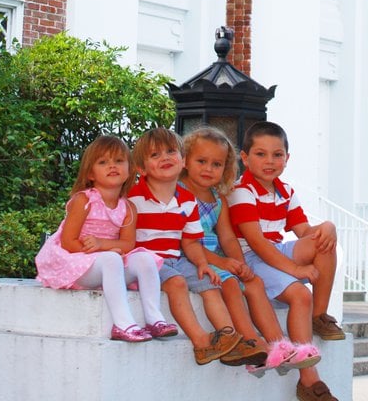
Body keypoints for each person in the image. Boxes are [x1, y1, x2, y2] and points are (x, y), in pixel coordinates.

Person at [178, 125, 321, 375]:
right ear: (185, 161)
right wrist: (224, 264)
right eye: (201, 161)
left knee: (253, 283)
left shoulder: (218, 198)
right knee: (232, 284)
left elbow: (228, 237)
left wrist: (238, 261)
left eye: (216, 164)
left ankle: (279, 346)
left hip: (218, 257)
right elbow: (184, 242)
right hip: (192, 257)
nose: (208, 169)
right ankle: (251, 343)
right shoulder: (179, 195)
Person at [128, 126, 265, 367]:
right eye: (155, 155)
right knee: (179, 282)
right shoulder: (133, 197)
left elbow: (190, 242)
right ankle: (201, 342)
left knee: (210, 283)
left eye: (171, 152)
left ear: (181, 160)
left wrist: (204, 264)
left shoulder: (186, 200)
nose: (165, 158)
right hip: (146, 260)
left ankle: (228, 338)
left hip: (178, 259)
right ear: (141, 168)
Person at [228, 121, 345, 401]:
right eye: (260, 154)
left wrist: (328, 226)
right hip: (251, 257)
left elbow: (304, 232)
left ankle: (320, 315)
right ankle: (308, 380)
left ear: (287, 159)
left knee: (324, 244)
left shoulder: (285, 191)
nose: (270, 161)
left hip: (274, 250)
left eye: (277, 155)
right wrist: (295, 270)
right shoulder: (241, 191)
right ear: (244, 158)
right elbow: (255, 242)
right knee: (300, 295)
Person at [35, 134, 177, 343]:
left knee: (145, 258)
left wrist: (104, 245)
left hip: (109, 264)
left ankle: (154, 319)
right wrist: (100, 252)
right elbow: (68, 242)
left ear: (129, 169)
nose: (112, 166)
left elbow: (128, 244)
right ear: (90, 173)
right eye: (103, 162)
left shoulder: (128, 207)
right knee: (111, 260)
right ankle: (122, 324)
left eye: (119, 161)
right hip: (76, 264)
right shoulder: (84, 200)